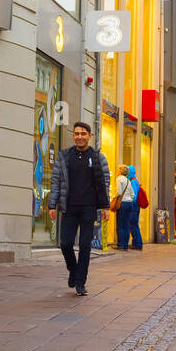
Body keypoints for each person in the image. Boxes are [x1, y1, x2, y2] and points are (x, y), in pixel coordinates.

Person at [47, 122, 110, 295]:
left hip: (89, 208)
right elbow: (56, 181)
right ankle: (73, 270)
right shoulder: (64, 156)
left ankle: (80, 282)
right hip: (69, 207)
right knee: (65, 243)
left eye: (83, 133)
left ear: (90, 136)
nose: (80, 137)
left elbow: (105, 181)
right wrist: (52, 204)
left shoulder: (98, 157)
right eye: (77, 134)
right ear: (73, 136)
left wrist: (106, 206)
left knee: (84, 246)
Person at [112, 165, 134, 251]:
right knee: (126, 224)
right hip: (129, 204)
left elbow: (119, 192)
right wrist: (129, 199)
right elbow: (133, 194)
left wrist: (113, 198)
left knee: (120, 224)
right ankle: (125, 245)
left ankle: (120, 245)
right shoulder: (128, 181)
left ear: (120, 171)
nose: (117, 171)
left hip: (122, 203)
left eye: (118, 169)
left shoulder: (119, 179)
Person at [126, 165, 144, 250]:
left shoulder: (133, 182)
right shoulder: (135, 180)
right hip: (136, 206)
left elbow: (134, 196)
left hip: (134, 206)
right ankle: (137, 243)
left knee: (133, 225)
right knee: (134, 224)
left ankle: (137, 244)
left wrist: (130, 203)